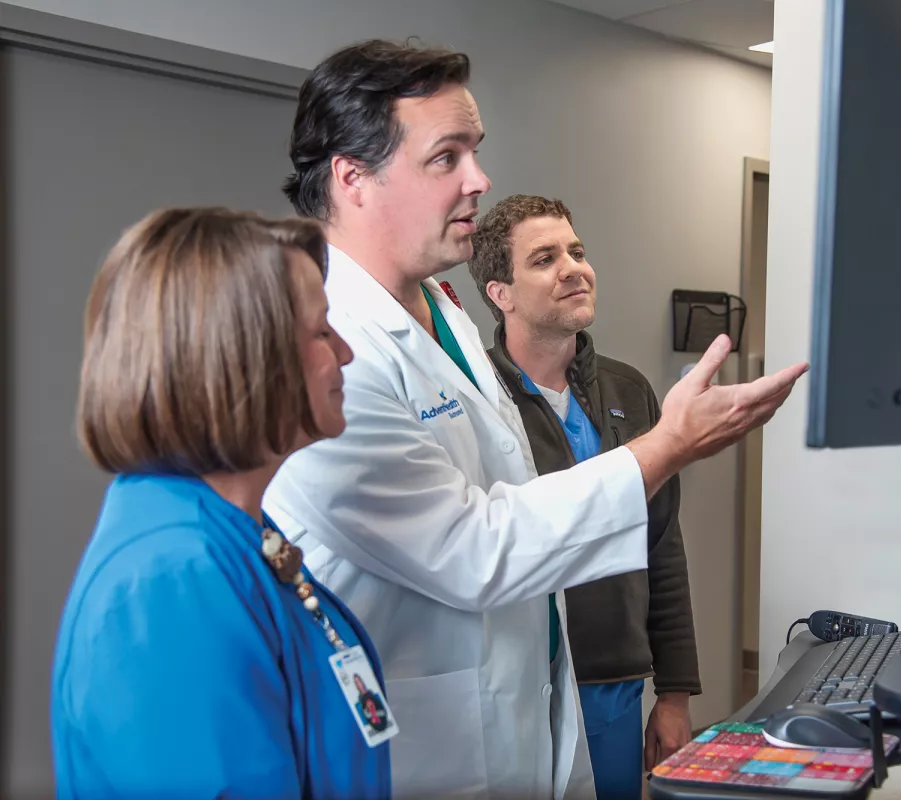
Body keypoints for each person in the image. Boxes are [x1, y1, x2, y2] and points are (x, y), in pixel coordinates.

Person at [264, 39, 808, 799]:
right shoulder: (322, 346)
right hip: (422, 747)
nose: (479, 179)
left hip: (532, 707)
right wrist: (669, 445)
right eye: (446, 157)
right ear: (352, 177)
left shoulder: (441, 308)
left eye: (475, 151)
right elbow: (471, 546)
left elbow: (529, 502)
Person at [51, 208, 391, 799]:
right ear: (240, 355)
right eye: (321, 331)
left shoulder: (237, 533)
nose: (346, 353)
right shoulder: (169, 582)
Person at [468, 194, 699, 798]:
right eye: (545, 259)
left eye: (577, 251)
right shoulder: (474, 399)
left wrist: (674, 693)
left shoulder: (628, 389)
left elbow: (661, 543)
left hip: (613, 681)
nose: (573, 268)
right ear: (500, 293)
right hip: (522, 683)